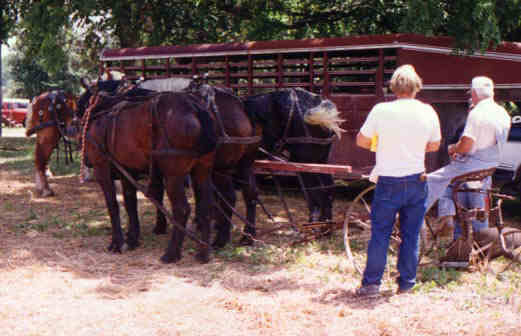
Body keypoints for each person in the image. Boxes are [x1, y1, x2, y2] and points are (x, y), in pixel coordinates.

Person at [355, 64, 441, 296]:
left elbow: (361, 141)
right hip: (416, 179)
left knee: (380, 234)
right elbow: (434, 145)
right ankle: (406, 285)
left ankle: (371, 284)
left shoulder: (381, 110)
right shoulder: (428, 111)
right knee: (411, 235)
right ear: (417, 87)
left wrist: (381, 143)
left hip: (388, 181)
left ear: (394, 87)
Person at [425, 76, 511, 238]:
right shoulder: (503, 113)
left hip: (472, 166)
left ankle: (429, 216)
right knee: (455, 184)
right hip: (490, 166)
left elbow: (465, 146)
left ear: (475, 93)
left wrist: (452, 149)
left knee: (432, 180)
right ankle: (473, 237)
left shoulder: (477, 113)